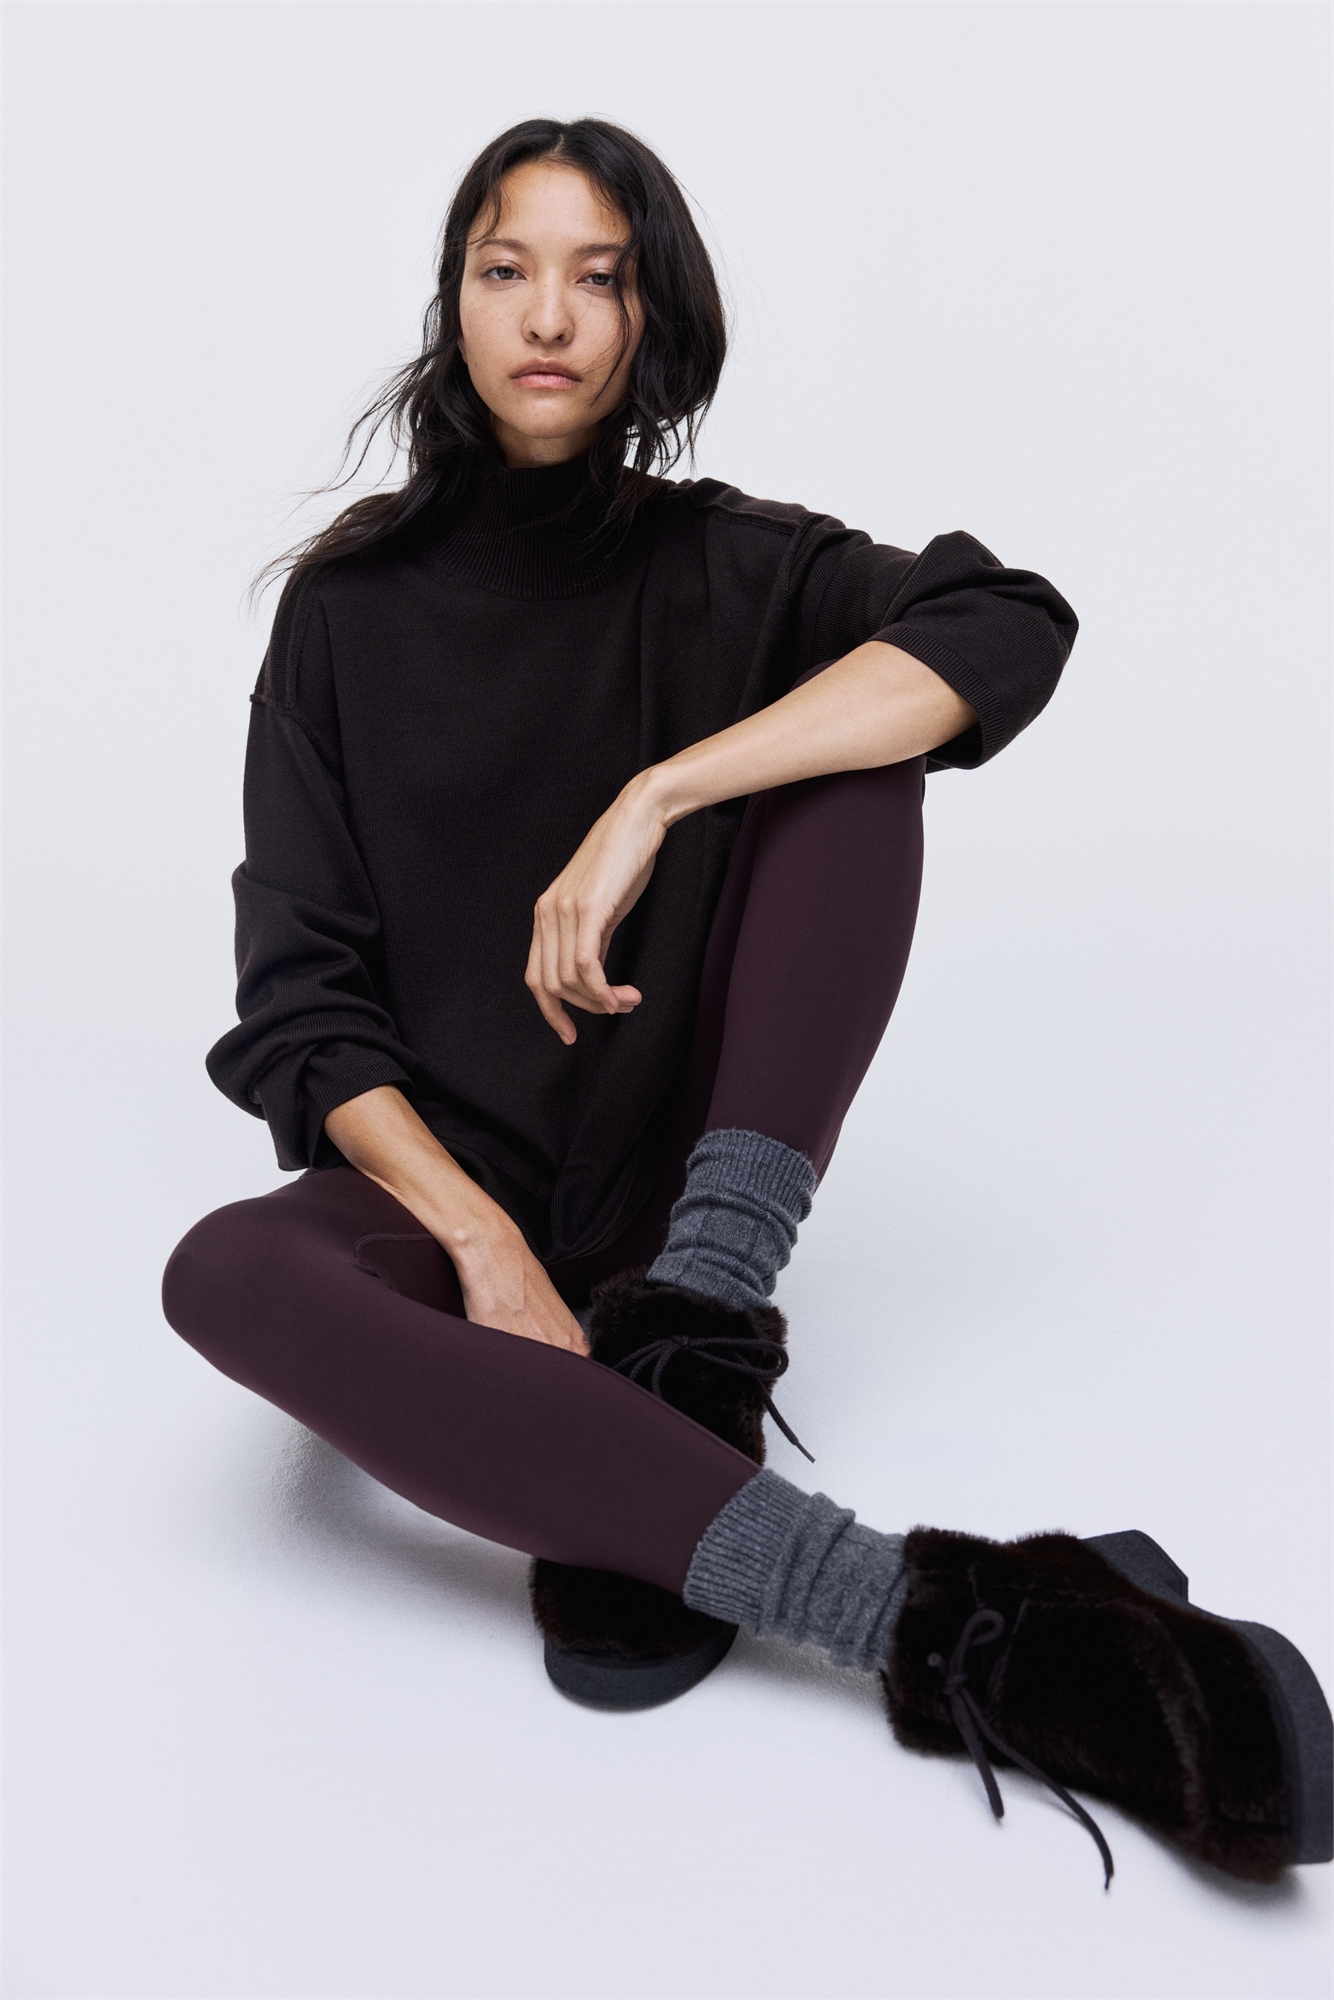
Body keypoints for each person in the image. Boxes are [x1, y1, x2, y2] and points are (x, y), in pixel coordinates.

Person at [163, 118, 1330, 1887]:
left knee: (862, 747)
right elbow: (298, 998)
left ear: (652, 315)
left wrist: (661, 791)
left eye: (598, 275)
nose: (547, 315)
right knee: (223, 1273)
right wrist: (483, 1249)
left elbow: (1004, 622)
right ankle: (971, 1628)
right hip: (445, 1182)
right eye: (504, 268)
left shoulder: (736, 564)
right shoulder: (343, 614)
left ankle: (691, 1334)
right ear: (453, 301)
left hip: (672, 1174)